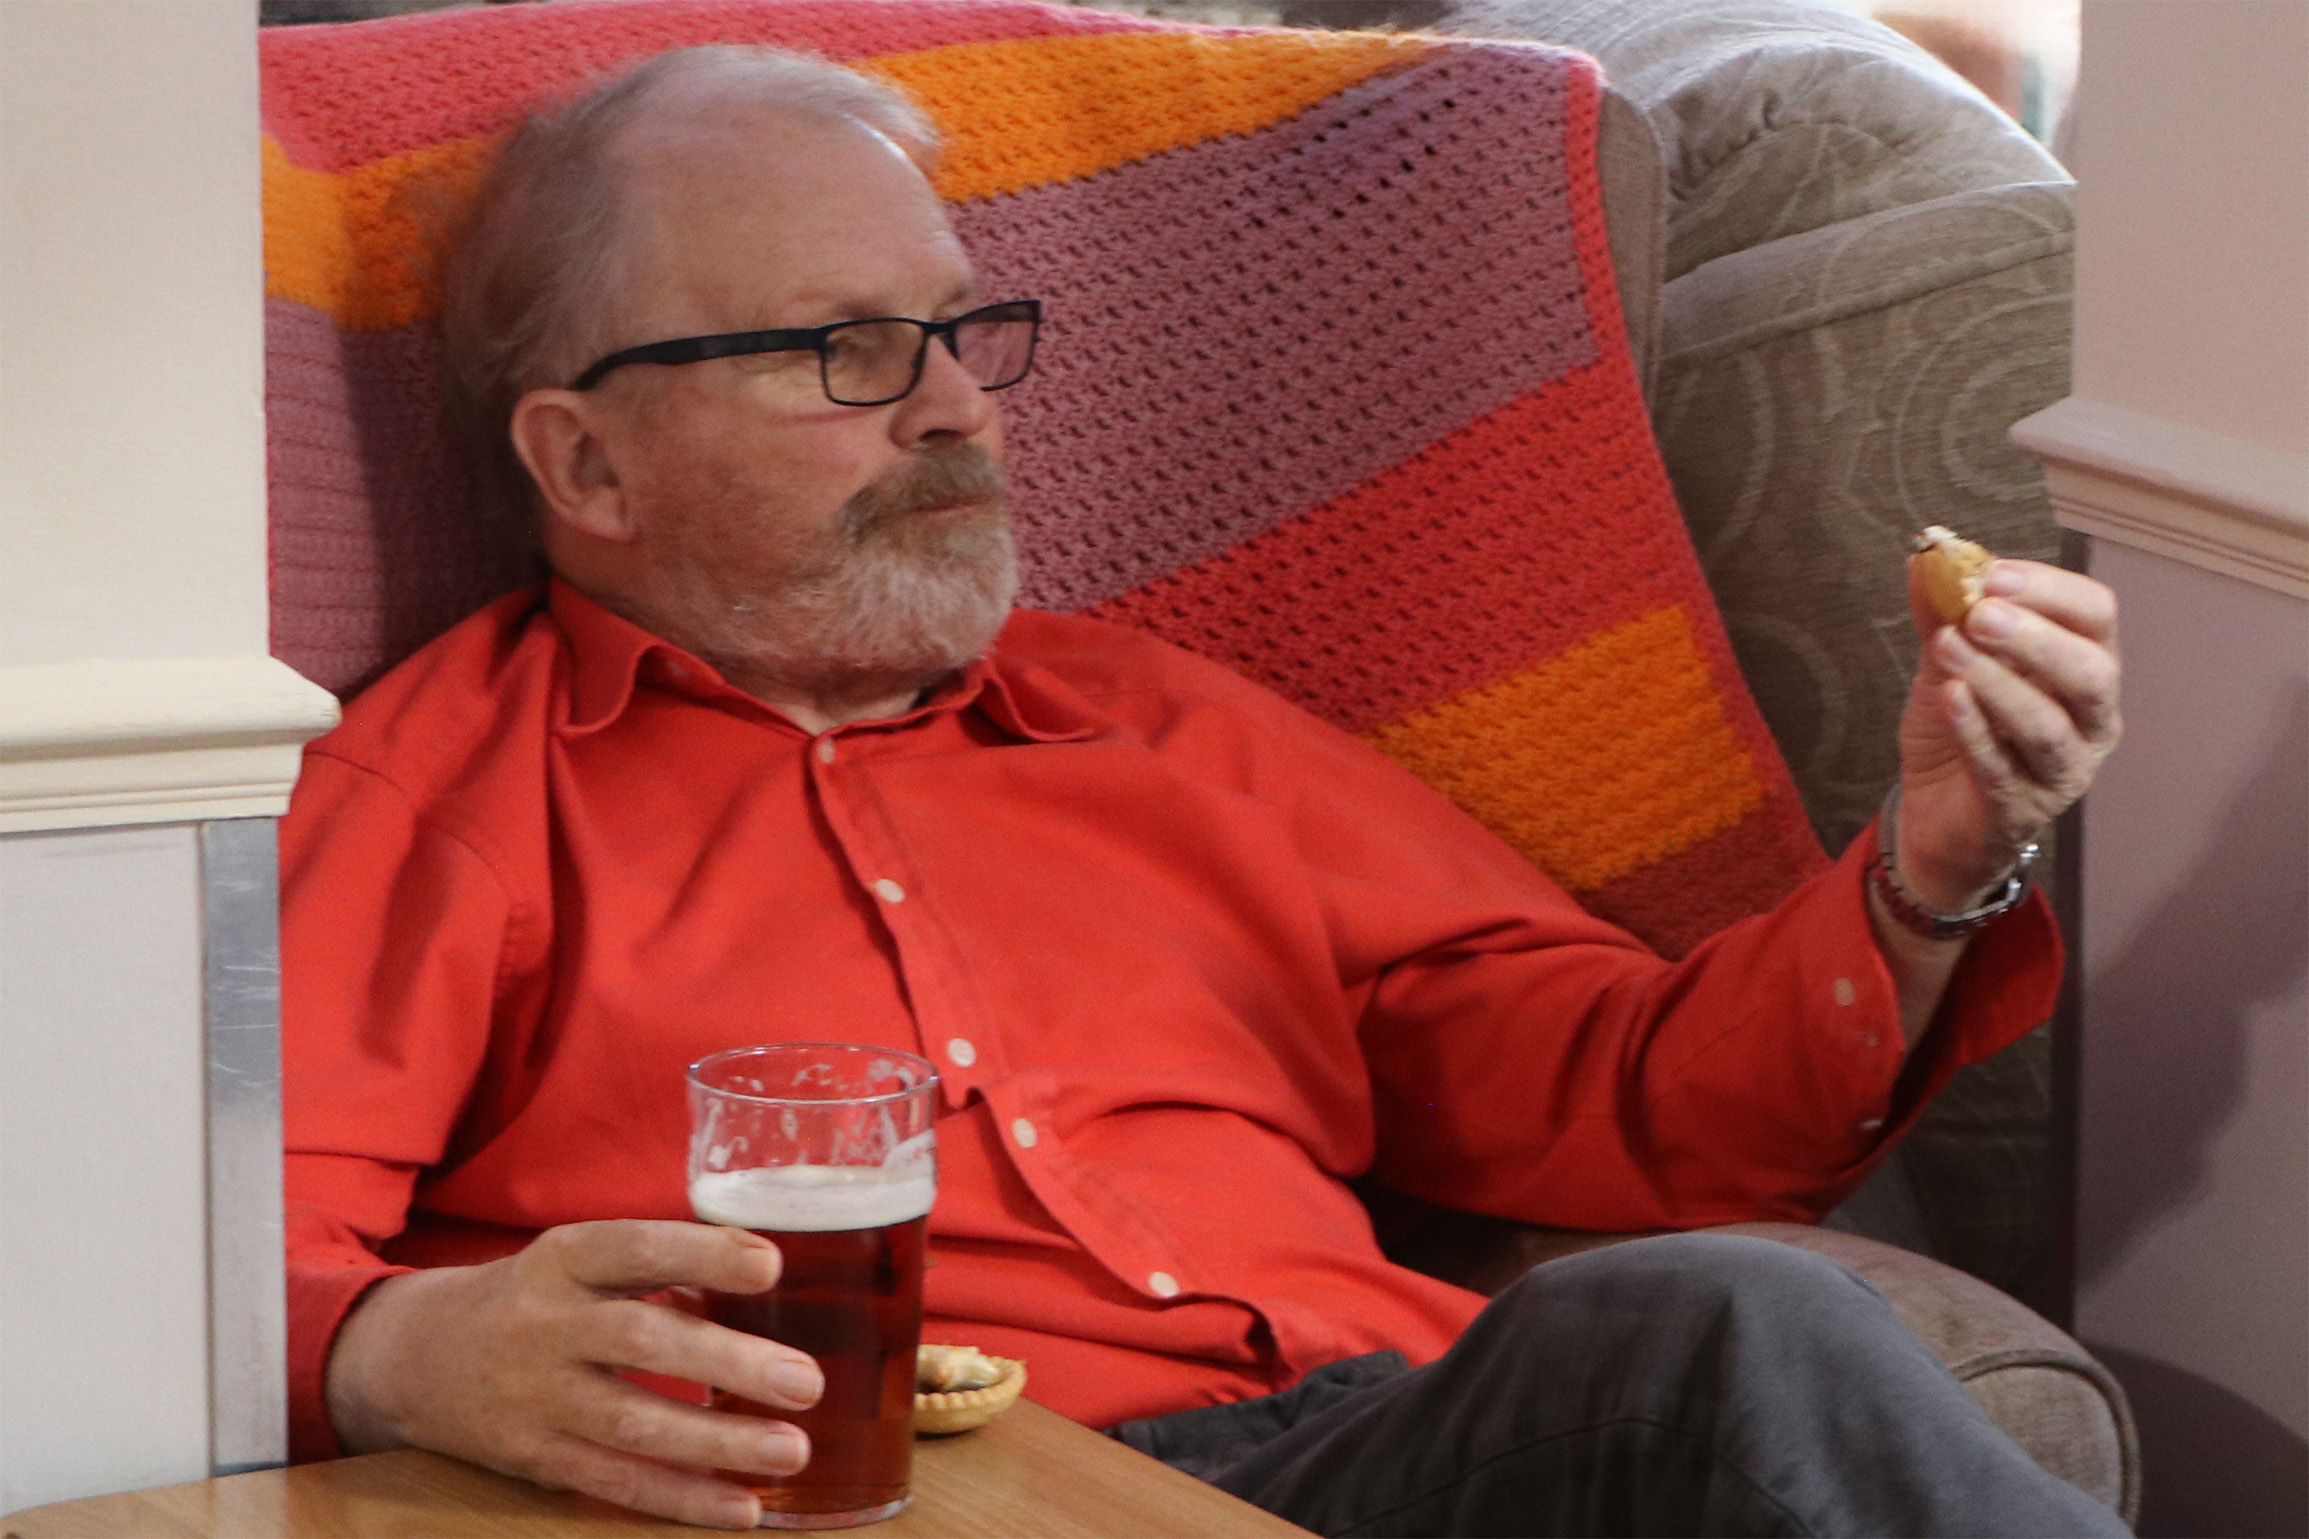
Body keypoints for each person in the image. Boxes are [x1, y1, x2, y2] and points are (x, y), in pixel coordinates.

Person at [280, 45, 2128, 1536]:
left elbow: (1626, 1106)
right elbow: (199, 1245)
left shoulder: (1175, 732)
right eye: (843, 351)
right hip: (917, 1500)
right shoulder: (448, 787)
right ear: (585, 461)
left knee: (1739, 1322)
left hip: (1369, 1459)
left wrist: (1923, 876)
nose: (954, 412)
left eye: (957, 332)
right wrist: (394, 1347)